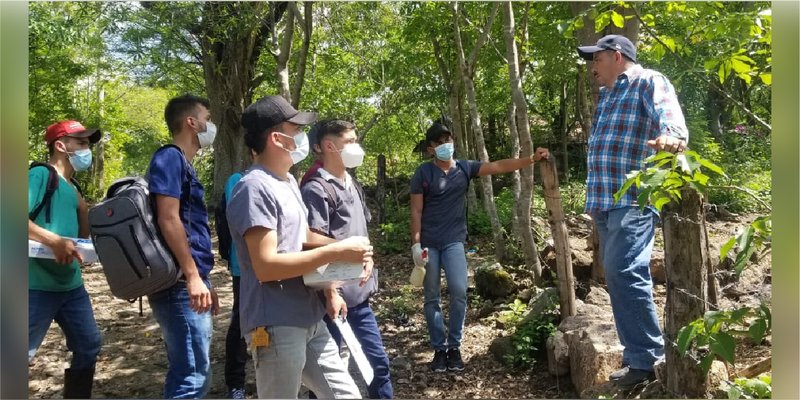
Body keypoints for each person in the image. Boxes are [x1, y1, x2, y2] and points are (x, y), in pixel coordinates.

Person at [227, 95, 371, 399]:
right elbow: (266, 266)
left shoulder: (288, 181)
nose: (302, 136)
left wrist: (348, 248)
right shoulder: (253, 188)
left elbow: (301, 235)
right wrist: (335, 253)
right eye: (296, 129)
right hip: (276, 323)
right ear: (277, 138)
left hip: (309, 316)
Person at [576, 34, 689, 389]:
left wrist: (671, 137)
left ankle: (648, 358)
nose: (592, 67)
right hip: (605, 201)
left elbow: (671, 120)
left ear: (616, 56)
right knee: (616, 273)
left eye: (596, 59)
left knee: (625, 269)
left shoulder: (648, 80)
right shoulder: (607, 95)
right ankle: (638, 356)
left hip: (634, 197)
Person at [409, 122, 549, 373]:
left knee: (459, 291)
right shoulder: (423, 173)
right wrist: (416, 244)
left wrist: (530, 159)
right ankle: (439, 350)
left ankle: (454, 346)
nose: (445, 145)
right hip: (429, 242)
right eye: (439, 142)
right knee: (431, 296)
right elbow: (416, 210)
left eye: (448, 139)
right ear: (431, 149)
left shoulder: (463, 167)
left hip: (454, 241)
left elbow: (498, 166)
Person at [301, 119, 393, 399]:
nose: (357, 147)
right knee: (329, 376)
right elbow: (311, 244)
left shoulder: (351, 182)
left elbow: (358, 233)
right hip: (333, 300)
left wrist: (368, 256)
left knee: (378, 364)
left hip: (358, 295)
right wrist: (331, 292)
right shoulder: (316, 188)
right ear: (329, 146)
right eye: (350, 141)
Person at [146, 94, 219, 398]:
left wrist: (204, 277)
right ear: (192, 122)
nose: (210, 124)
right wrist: (192, 276)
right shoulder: (170, 157)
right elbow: (169, 219)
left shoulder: (183, 164)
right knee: (191, 377)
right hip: (177, 285)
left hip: (187, 280)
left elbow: (188, 226)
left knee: (194, 371)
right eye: (207, 117)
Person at [28, 120, 103, 399]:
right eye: (81, 143)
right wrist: (53, 240)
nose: (87, 149)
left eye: (88, 144)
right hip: (33, 285)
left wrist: (84, 210)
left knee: (88, 345)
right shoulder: (40, 175)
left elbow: (81, 237)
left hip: (70, 286)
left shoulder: (73, 187)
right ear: (61, 145)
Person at [220, 151, 256, 400]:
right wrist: (229, 257)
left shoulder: (287, 182)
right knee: (241, 321)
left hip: (279, 266)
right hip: (243, 266)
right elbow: (223, 223)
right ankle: (236, 383)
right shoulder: (237, 180)